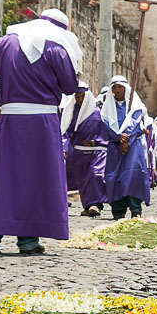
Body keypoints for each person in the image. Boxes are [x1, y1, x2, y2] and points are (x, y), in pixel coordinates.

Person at [0, 7, 80, 254]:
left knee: (3, 177)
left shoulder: (8, 41)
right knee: (37, 180)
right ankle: (28, 241)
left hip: (10, 119)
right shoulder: (56, 47)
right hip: (43, 122)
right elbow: (71, 86)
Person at [99, 75, 151, 219]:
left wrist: (126, 139)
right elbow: (106, 125)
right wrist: (119, 138)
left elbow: (136, 123)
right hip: (115, 147)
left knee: (132, 176)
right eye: (114, 88)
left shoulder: (136, 106)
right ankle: (118, 209)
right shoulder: (107, 108)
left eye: (120, 87)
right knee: (114, 178)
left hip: (133, 147)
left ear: (125, 88)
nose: (117, 90)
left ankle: (135, 209)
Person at [64, 83, 107, 216]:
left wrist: (99, 141)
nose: (79, 100)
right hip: (78, 151)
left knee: (95, 175)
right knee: (82, 180)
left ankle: (96, 204)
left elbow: (106, 131)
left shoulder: (98, 113)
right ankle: (88, 204)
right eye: (77, 97)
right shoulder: (70, 113)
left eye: (82, 97)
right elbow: (65, 132)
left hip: (96, 151)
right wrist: (64, 148)